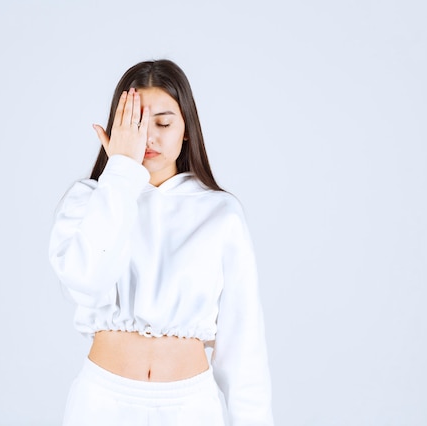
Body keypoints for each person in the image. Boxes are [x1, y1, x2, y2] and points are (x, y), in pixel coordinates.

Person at [49, 59, 273, 426]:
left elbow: (244, 347)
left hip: (191, 408)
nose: (148, 137)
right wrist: (121, 171)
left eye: (163, 123)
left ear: (187, 129)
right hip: (103, 403)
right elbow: (88, 279)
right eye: (135, 123)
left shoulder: (220, 213)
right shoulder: (88, 201)